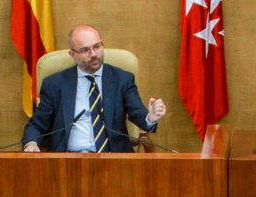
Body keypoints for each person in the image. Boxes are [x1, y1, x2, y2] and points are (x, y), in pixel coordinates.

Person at [21, 24, 166, 152]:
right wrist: (31, 143)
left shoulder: (122, 79)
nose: (94, 54)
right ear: (72, 54)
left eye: (97, 46)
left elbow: (137, 112)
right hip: (68, 161)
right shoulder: (54, 84)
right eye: (85, 50)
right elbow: (38, 125)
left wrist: (150, 118)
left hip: (114, 160)